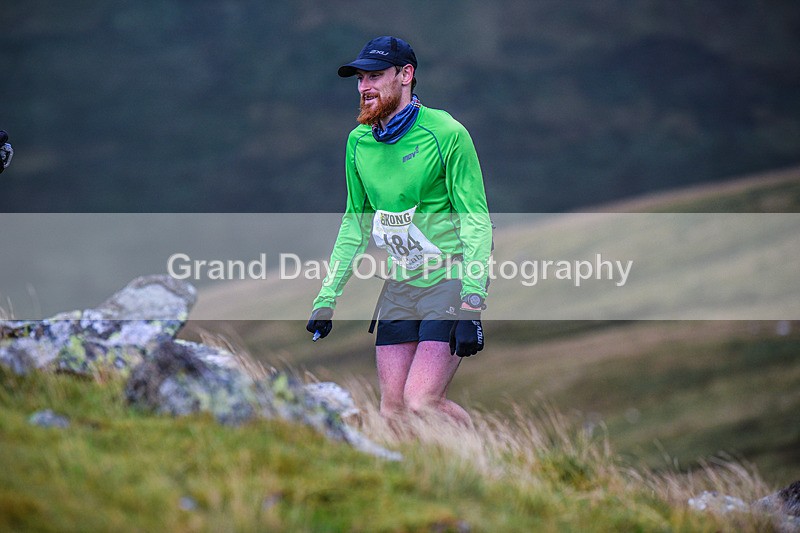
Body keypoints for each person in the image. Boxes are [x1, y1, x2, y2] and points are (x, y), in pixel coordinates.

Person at [306, 36, 492, 427]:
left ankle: (487, 467)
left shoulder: (446, 133)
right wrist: (327, 298)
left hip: (449, 280)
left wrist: (472, 301)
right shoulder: (358, 142)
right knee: (392, 412)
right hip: (400, 285)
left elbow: (475, 219)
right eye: (359, 78)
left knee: (422, 401)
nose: (364, 87)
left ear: (406, 75)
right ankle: (424, 480)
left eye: (375, 76)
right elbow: (353, 222)